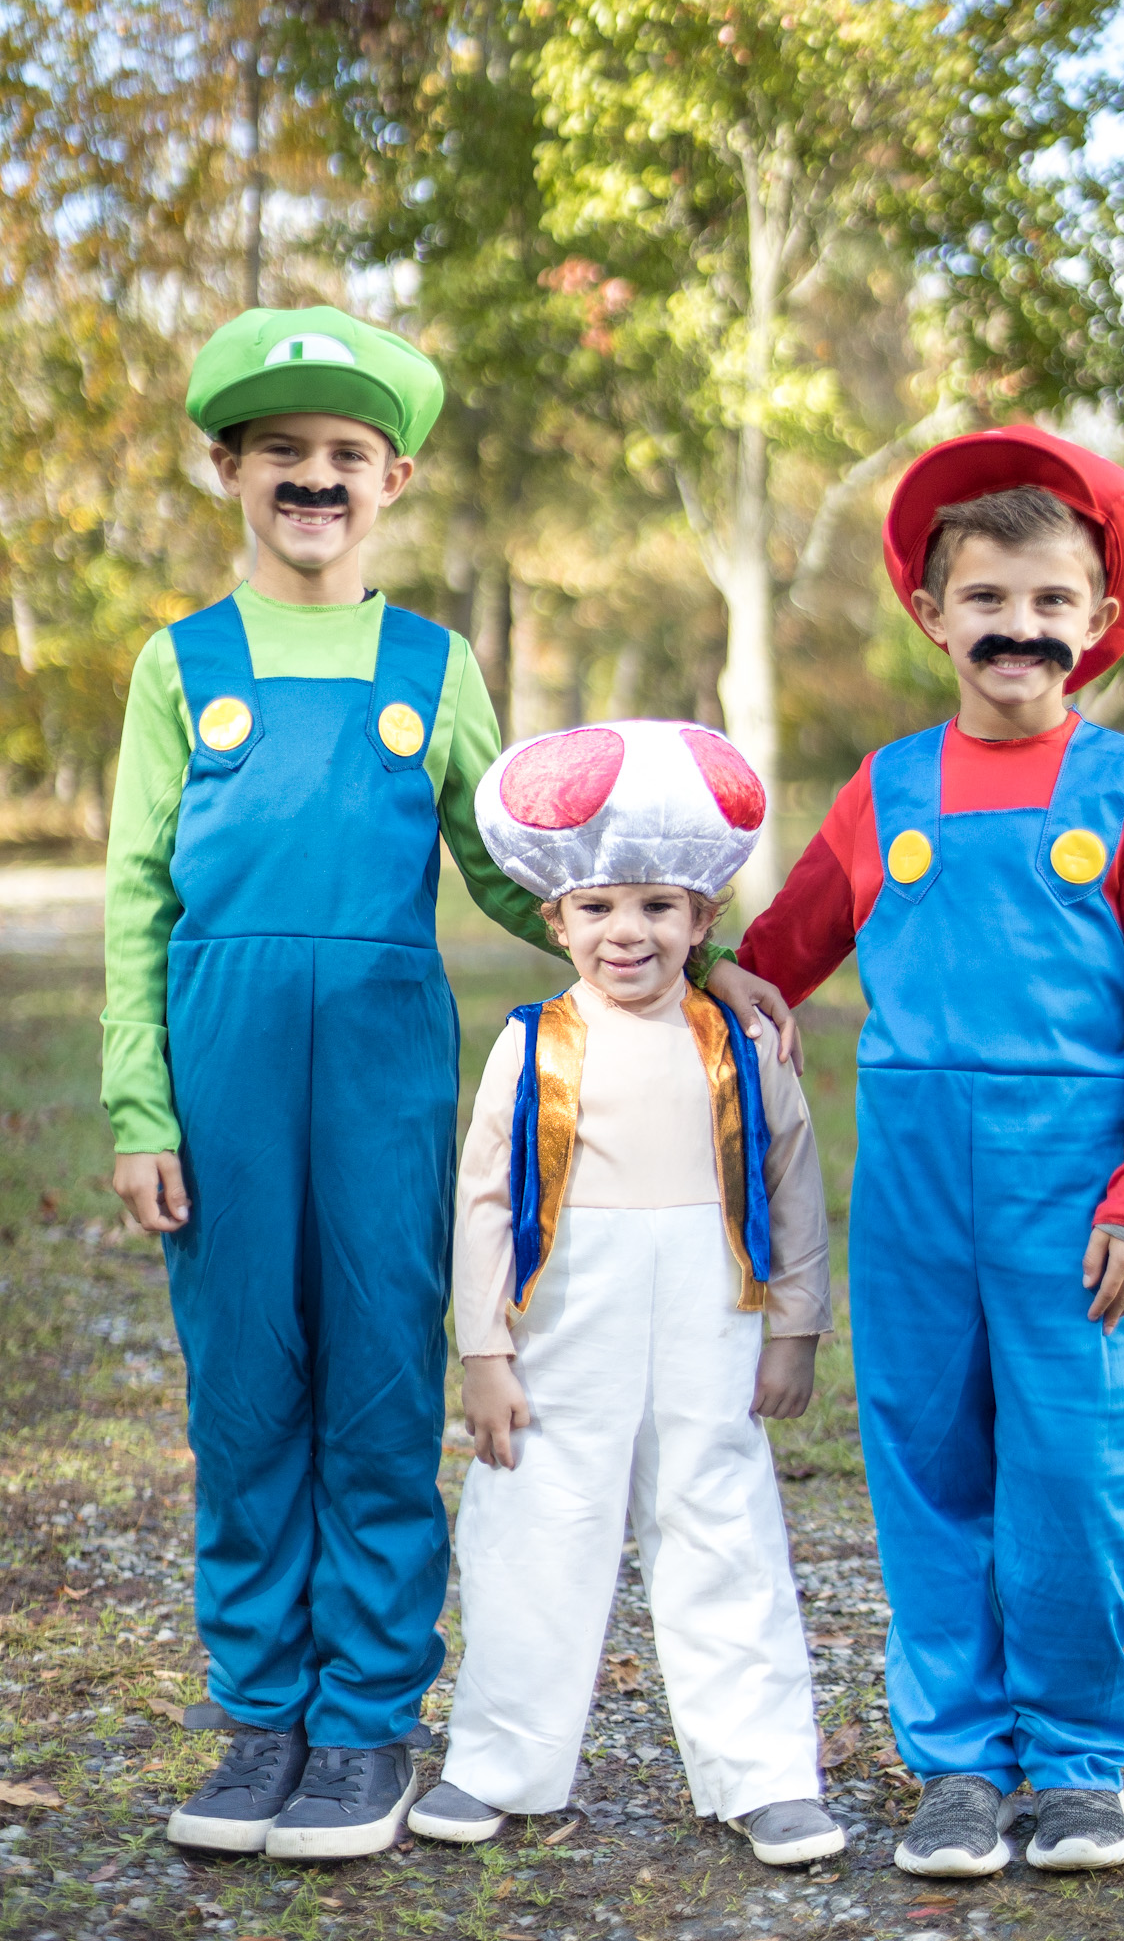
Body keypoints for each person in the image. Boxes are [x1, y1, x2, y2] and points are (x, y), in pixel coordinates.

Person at [102, 306, 569, 1860]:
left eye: (347, 456)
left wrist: (657, 933)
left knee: (377, 1376)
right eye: (283, 452)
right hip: (221, 1052)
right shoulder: (182, 666)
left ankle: (365, 1724)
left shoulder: (434, 667)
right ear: (229, 468)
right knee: (245, 1390)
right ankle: (259, 1719)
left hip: (379, 1057)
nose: (316, 478)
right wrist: (139, 1107)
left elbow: (515, 876)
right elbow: (136, 896)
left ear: (399, 476)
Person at [727, 428, 1124, 1876]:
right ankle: (955, 1762)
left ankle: (1074, 1757)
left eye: (1052, 604)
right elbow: (781, 953)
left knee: (1072, 1472)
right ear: (932, 614)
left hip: (1076, 1198)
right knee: (929, 1463)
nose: (1019, 626)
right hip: (920, 1198)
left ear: (1096, 624)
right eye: (988, 599)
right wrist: (694, 967)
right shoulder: (886, 791)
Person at [406, 720, 846, 1868]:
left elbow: (793, 1182)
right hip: (566, 1321)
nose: (627, 932)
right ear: (553, 920)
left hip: (711, 1313)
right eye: (598, 907)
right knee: (535, 1523)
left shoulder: (739, 1041)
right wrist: (486, 1350)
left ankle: (764, 1773)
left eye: (658, 906)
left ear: (704, 924)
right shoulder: (533, 1045)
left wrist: (794, 1324)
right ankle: (498, 1761)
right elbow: (486, 1201)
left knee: (722, 1523)